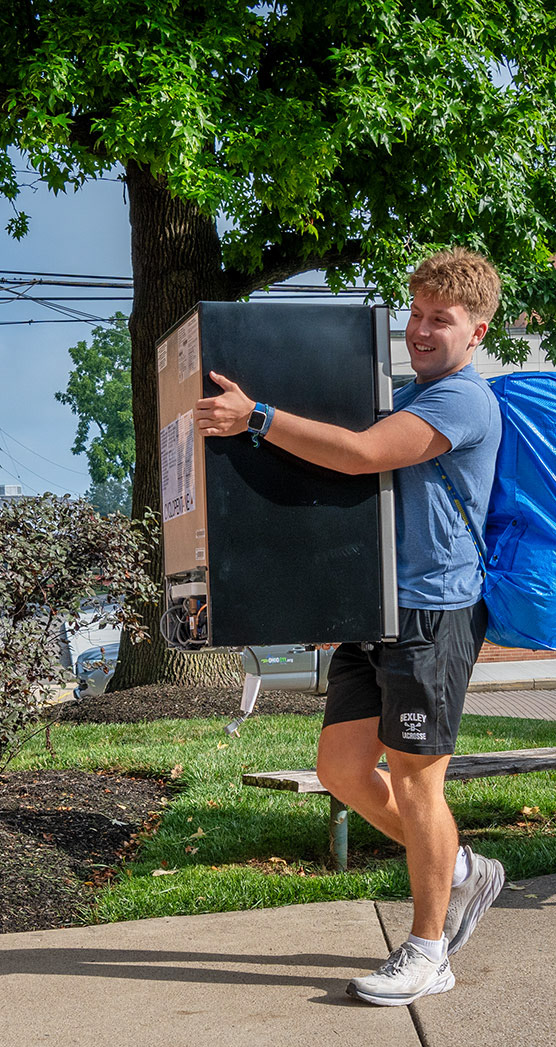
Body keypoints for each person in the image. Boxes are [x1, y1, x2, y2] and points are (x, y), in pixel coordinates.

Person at [194, 248, 507, 1006]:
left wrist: (258, 417)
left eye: (443, 319)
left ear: (478, 331)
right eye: (417, 313)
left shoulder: (462, 401)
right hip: (379, 610)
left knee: (416, 779)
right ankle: (462, 869)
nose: (422, 329)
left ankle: (430, 949)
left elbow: (364, 458)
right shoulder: (403, 390)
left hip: (435, 609)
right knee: (339, 765)